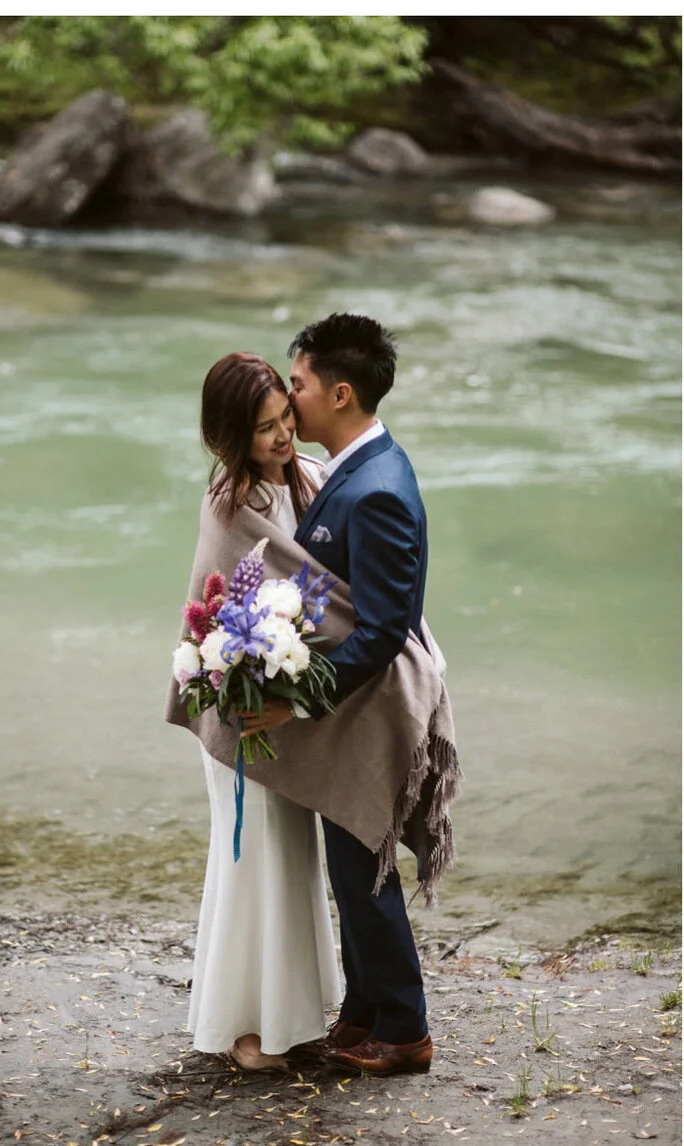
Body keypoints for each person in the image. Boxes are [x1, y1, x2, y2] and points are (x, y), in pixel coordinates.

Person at [243, 313, 441, 1076]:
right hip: (349, 705)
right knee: (348, 868)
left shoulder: (377, 488)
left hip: (370, 707)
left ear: (340, 393)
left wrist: (295, 700)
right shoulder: (352, 468)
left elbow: (386, 629)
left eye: (297, 384)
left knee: (366, 868)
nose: (288, 399)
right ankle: (364, 1012)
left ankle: (406, 1029)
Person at [181, 352, 341, 1071]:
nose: (282, 436)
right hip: (243, 707)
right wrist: (250, 677)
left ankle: (293, 1015)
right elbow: (211, 609)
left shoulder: (311, 478)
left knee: (293, 853)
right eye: (264, 428)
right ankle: (244, 1027)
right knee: (251, 854)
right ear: (230, 436)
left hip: (288, 703)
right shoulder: (230, 506)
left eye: (284, 418)